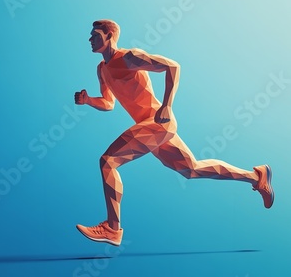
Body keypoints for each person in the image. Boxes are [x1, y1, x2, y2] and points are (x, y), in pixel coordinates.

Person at [74, 19, 274, 246]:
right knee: (192, 169)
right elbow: (109, 102)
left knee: (108, 161)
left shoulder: (129, 57)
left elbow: (172, 66)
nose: (90, 40)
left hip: (158, 123)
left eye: (95, 35)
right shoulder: (102, 70)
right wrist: (89, 100)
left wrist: (166, 105)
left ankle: (112, 228)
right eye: (90, 36)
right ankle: (256, 177)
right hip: (150, 130)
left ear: (109, 36)